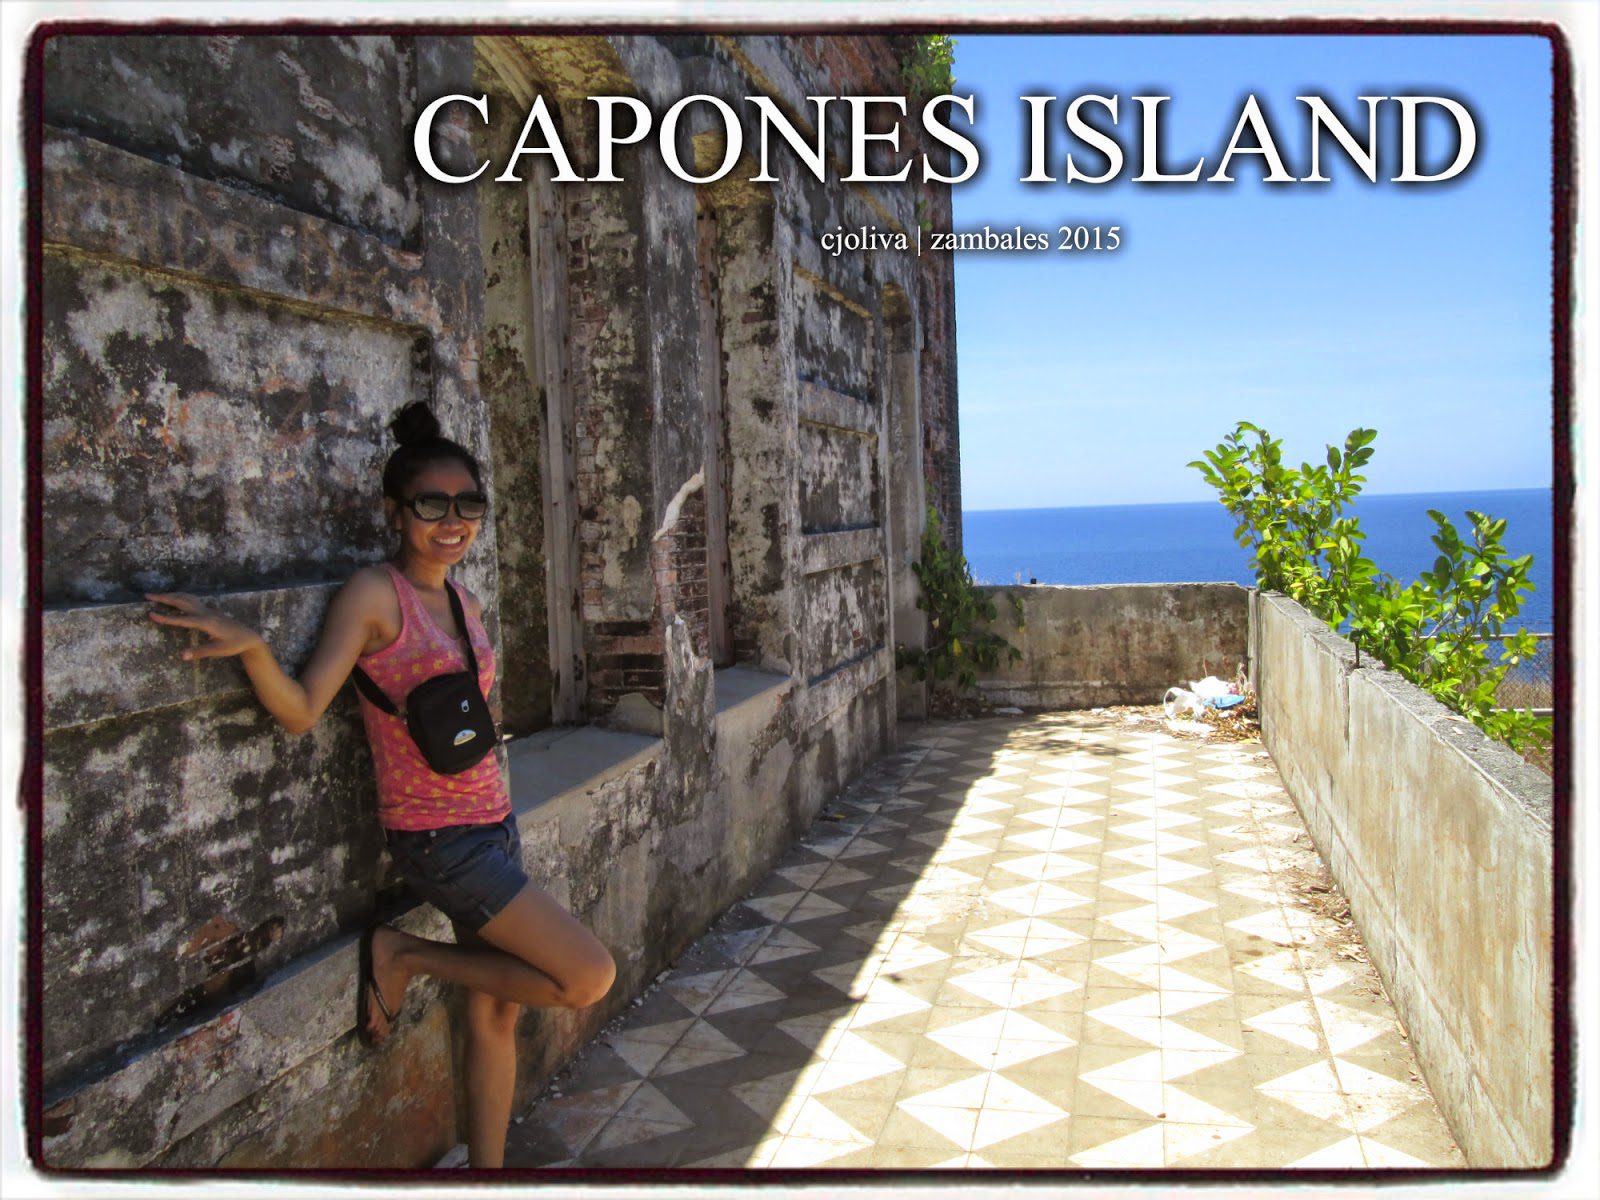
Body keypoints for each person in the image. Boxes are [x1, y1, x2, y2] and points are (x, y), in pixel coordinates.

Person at [147, 401, 616, 1168]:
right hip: (439, 841)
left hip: (491, 825)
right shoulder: (375, 595)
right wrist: (253, 648)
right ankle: (402, 955)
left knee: (495, 1009)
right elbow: (302, 710)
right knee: (585, 975)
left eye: (468, 506)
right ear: (396, 512)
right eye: (432, 505)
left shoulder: (460, 599)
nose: (453, 521)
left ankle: (485, 1178)